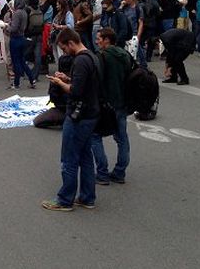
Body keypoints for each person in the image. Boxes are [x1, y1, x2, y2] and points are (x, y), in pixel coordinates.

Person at [42, 28, 99, 211]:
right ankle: (87, 197)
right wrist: (67, 78)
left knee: (69, 158)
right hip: (90, 113)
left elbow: (76, 91)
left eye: (64, 48)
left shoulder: (81, 61)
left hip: (78, 115)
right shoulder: (92, 56)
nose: (64, 52)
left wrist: (60, 83)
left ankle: (65, 200)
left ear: (71, 43)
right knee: (85, 156)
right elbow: (85, 84)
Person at [91, 28, 133, 185]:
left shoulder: (103, 57)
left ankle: (102, 173)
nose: (97, 41)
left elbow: (97, 80)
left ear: (107, 40)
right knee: (122, 138)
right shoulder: (125, 54)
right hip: (123, 102)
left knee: (95, 136)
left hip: (106, 103)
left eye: (99, 38)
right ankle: (120, 172)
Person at [33, 54, 73, 128]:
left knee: (37, 121)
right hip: (75, 108)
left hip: (64, 109)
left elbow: (53, 99)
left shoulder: (58, 80)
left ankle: (64, 120)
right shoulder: (77, 75)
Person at [8, 0, 36, 90]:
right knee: (22, 61)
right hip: (22, 38)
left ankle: (16, 83)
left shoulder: (17, 13)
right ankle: (32, 79)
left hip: (15, 39)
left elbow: (13, 28)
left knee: (16, 62)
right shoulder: (24, 12)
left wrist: (6, 26)